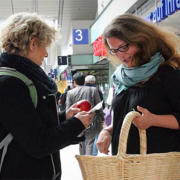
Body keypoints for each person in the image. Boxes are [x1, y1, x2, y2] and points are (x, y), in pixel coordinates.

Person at [0, 13, 94, 180]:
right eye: (45, 47)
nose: (45, 54)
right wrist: (76, 124)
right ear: (33, 43)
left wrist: (64, 117)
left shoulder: (23, 78)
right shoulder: (10, 84)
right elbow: (39, 144)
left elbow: (29, 125)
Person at [97, 13, 180, 156]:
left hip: (157, 169)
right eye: (115, 51)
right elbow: (128, 117)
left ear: (141, 41)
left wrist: (154, 120)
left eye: (123, 47)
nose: (120, 55)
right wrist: (108, 131)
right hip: (125, 168)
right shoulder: (121, 77)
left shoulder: (168, 73)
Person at [66, 72, 102, 155]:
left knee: (81, 142)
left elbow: (68, 110)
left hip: (77, 121)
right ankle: (88, 163)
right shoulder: (93, 90)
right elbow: (99, 105)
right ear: (84, 81)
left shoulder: (70, 93)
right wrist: (101, 117)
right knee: (90, 142)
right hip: (90, 120)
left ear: (74, 82)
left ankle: (83, 162)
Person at [84, 75, 105, 156]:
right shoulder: (97, 90)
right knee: (96, 135)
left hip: (82, 116)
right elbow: (101, 105)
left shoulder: (80, 89)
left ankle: (85, 153)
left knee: (85, 136)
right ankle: (94, 154)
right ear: (94, 81)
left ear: (85, 82)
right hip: (95, 116)